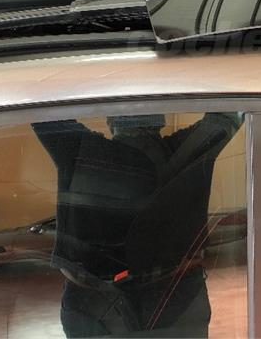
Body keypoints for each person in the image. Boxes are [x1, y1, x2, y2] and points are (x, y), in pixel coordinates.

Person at [32, 112, 243, 337]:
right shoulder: (187, 151)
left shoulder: (81, 149)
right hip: (172, 296)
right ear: (159, 117)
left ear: (112, 120)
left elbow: (42, 112)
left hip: (93, 301)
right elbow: (230, 114)